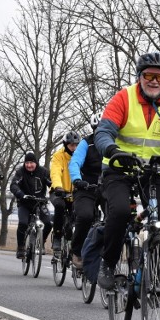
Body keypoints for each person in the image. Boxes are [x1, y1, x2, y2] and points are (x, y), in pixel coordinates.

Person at [94, 51, 160, 290]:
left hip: (154, 172)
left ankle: (159, 278)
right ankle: (108, 263)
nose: (154, 81)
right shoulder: (123, 98)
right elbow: (103, 131)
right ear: (139, 76)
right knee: (119, 212)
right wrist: (111, 149)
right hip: (120, 169)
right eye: (149, 75)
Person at [69, 112, 104, 269]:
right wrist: (77, 180)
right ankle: (76, 251)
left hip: (108, 187)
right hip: (86, 187)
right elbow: (75, 162)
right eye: (98, 128)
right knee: (85, 216)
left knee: (117, 217)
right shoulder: (86, 143)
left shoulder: (117, 142)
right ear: (93, 129)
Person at [9, 151, 53, 259]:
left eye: (31, 162)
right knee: (23, 223)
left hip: (40, 202)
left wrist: (55, 188)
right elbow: (14, 184)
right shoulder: (20, 172)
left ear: (36, 163)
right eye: (27, 163)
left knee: (48, 223)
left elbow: (51, 182)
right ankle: (20, 247)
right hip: (25, 203)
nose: (29, 165)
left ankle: (41, 241)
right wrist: (20, 194)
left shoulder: (43, 172)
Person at [49, 131, 80, 257]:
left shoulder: (80, 155)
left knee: (78, 214)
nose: (74, 147)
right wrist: (58, 186)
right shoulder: (58, 156)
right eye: (71, 145)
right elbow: (55, 172)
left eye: (76, 145)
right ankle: (57, 236)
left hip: (75, 193)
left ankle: (75, 243)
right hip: (59, 191)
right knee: (60, 207)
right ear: (66, 144)